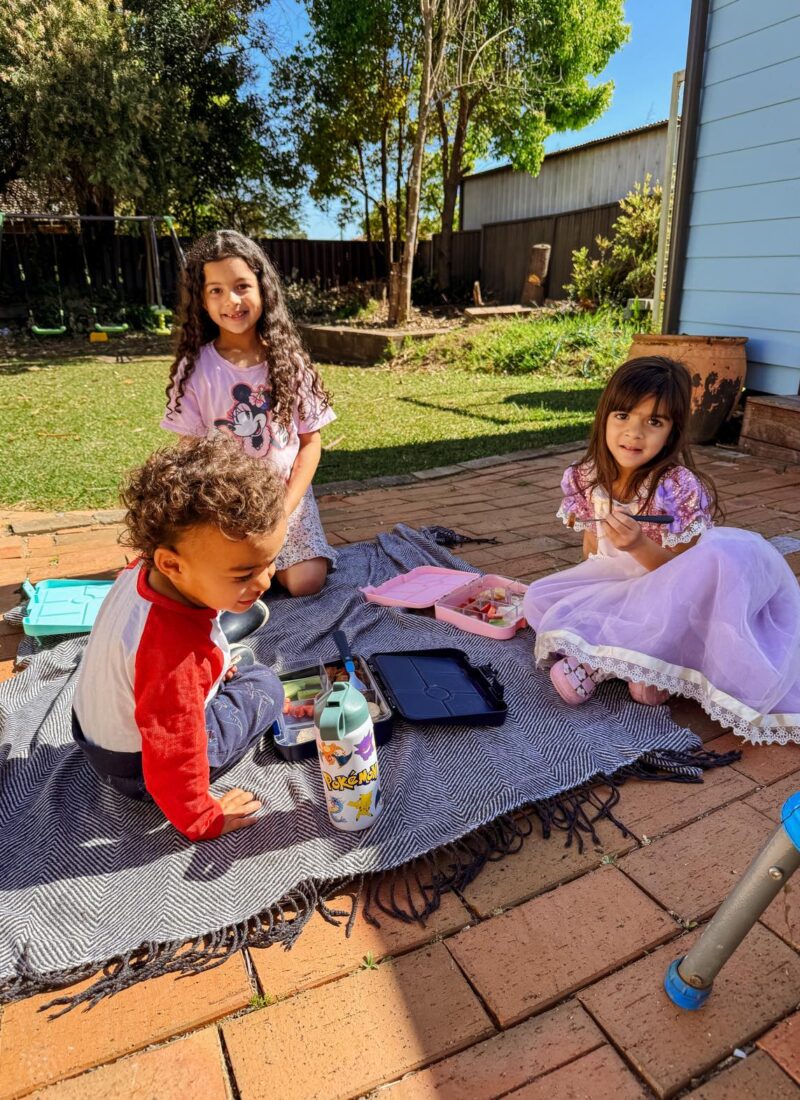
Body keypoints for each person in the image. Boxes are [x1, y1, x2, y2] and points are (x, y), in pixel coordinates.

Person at [523, 356, 800, 746]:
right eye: (623, 415)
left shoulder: (676, 487)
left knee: (694, 577)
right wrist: (589, 603)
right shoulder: (585, 477)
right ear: (604, 416)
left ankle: (617, 665)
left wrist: (638, 545)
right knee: (538, 599)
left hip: (674, 590)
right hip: (618, 579)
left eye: (654, 422)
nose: (634, 433)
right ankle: (639, 664)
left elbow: (685, 574)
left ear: (671, 432)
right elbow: (591, 552)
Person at [72, 437, 288, 841]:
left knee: (227, 667)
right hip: (139, 773)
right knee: (266, 684)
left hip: (96, 734)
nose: (265, 581)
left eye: (271, 561)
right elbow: (173, 754)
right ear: (172, 564)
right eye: (243, 574)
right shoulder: (175, 655)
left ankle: (221, 663)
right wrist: (203, 819)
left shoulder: (143, 571)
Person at [162, 229, 336, 604]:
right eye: (216, 290)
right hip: (227, 506)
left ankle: (263, 566)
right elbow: (190, 456)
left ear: (263, 289)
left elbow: (311, 444)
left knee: (307, 582)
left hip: (288, 502)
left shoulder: (290, 361)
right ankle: (253, 568)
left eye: (242, 286)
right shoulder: (193, 370)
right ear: (202, 301)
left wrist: (281, 515)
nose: (232, 300)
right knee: (216, 583)